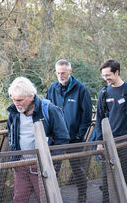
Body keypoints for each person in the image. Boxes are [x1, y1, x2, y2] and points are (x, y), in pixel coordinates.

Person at [7, 77, 70, 203]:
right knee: (19, 199)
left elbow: (62, 137)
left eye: (19, 100)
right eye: (13, 100)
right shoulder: (13, 112)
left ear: (30, 96)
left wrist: (53, 161)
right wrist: (14, 157)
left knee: (45, 198)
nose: (16, 103)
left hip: (42, 165)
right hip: (21, 164)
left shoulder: (49, 109)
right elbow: (11, 135)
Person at [95, 59, 127, 202]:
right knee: (106, 175)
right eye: (103, 75)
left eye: (108, 75)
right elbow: (99, 118)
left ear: (117, 72)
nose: (106, 78)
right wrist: (99, 142)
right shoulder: (103, 93)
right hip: (108, 141)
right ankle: (106, 200)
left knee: (126, 173)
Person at [46, 59, 92, 202]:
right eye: (58, 73)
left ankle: (82, 195)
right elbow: (46, 111)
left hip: (74, 138)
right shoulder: (52, 88)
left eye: (64, 73)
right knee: (53, 169)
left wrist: (79, 135)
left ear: (70, 72)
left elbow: (87, 115)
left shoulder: (81, 89)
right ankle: (53, 197)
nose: (61, 76)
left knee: (77, 168)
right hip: (57, 138)